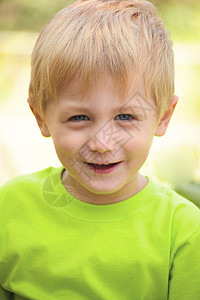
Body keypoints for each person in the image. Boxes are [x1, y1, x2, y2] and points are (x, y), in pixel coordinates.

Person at [0, 0, 200, 299]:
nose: (102, 143)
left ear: (163, 117)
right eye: (79, 117)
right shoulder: (9, 208)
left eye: (125, 117)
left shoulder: (184, 231)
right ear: (41, 117)